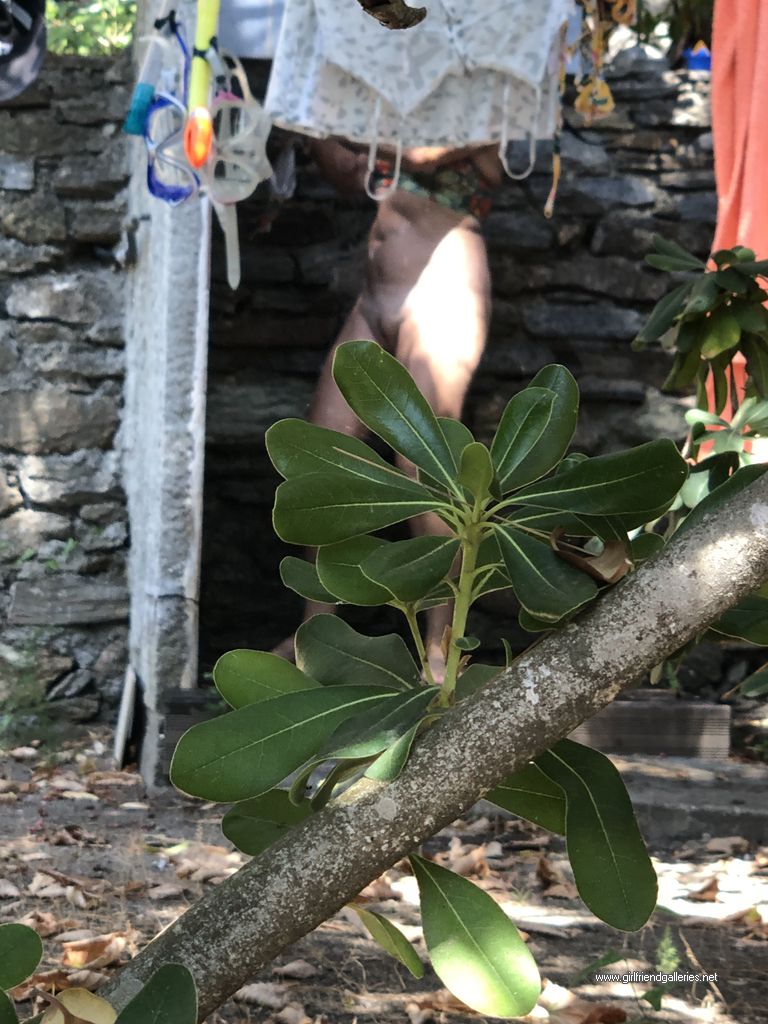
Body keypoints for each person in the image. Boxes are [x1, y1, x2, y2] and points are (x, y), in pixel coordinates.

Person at [271, 139, 503, 678]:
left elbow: (422, 155)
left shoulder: (493, 93)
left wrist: (346, 120)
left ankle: (444, 648)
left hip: (444, 284)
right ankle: (316, 637)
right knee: (325, 455)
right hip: (375, 299)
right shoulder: (388, 90)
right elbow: (345, 172)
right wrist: (311, 124)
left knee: (423, 462)